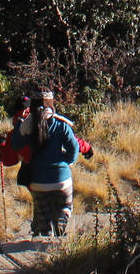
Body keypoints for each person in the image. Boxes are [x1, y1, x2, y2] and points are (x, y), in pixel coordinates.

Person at [17, 89, 91, 237]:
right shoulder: (61, 125)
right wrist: (68, 161)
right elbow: (74, 146)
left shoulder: (27, 126)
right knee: (65, 206)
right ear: (52, 104)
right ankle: (62, 219)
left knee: (43, 215)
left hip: (38, 180)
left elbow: (16, 145)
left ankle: (44, 235)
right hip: (61, 178)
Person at [0, 93, 35, 189]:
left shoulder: (14, 134)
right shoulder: (45, 123)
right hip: (58, 173)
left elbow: (9, 161)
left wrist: (1, 145)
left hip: (33, 177)